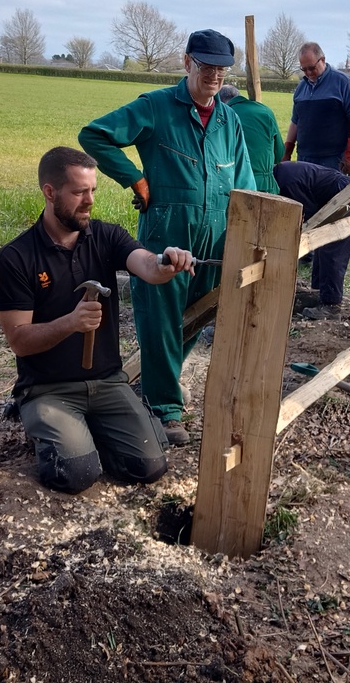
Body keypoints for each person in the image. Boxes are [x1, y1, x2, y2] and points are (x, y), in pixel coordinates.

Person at [78, 30, 257, 447]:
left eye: (221, 68)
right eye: (206, 65)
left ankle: (163, 383)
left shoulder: (229, 120)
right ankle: (163, 410)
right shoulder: (156, 107)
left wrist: (247, 229)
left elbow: (244, 180)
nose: (213, 75)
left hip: (217, 234)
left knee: (197, 312)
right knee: (160, 319)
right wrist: (135, 178)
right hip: (167, 231)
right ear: (187, 62)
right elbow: (94, 135)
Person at [0, 147, 198, 493]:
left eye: (92, 191)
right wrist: (70, 322)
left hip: (107, 383)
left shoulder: (106, 236)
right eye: (79, 192)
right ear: (50, 192)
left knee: (150, 466)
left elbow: (146, 265)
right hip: (48, 389)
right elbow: (19, 340)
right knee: (76, 475)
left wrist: (166, 263)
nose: (89, 201)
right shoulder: (16, 258)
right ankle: (50, 429)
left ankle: (88, 432)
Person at [273, 161, 350, 320]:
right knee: (321, 249)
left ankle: (331, 305)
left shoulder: (288, 182)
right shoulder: (282, 175)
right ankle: (317, 296)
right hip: (331, 198)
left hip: (347, 197)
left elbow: (306, 217)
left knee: (332, 252)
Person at [283, 42, 350, 176]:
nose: (308, 73)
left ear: (323, 60)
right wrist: (287, 151)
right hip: (305, 158)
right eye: (304, 69)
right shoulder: (301, 88)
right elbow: (296, 121)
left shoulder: (342, 82)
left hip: (334, 159)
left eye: (312, 68)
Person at [219, 84, 284, 194]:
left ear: (221, 101)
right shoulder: (265, 111)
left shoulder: (222, 115)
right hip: (266, 186)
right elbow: (279, 154)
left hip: (236, 186)